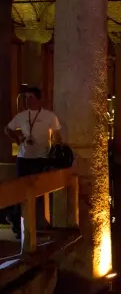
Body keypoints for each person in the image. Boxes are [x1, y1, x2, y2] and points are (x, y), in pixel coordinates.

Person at [4, 87, 62, 238]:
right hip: (24, 159)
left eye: (31, 97)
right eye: (26, 97)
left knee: (39, 193)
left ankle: (38, 225)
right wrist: (17, 140)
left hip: (41, 158)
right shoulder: (22, 115)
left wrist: (56, 152)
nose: (27, 100)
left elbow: (57, 136)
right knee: (21, 192)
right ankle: (18, 225)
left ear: (39, 99)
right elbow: (8, 129)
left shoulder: (50, 116)